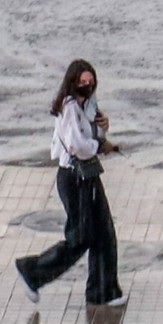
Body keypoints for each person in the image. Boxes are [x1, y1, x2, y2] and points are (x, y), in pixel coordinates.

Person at [15, 59, 125, 307]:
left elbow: (91, 137)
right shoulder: (68, 108)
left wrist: (102, 129)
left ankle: (103, 292)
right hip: (74, 179)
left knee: (104, 234)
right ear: (72, 82)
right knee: (80, 237)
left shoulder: (87, 106)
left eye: (91, 82)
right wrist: (99, 145)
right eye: (82, 82)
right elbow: (78, 146)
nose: (88, 86)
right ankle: (32, 271)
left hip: (88, 176)